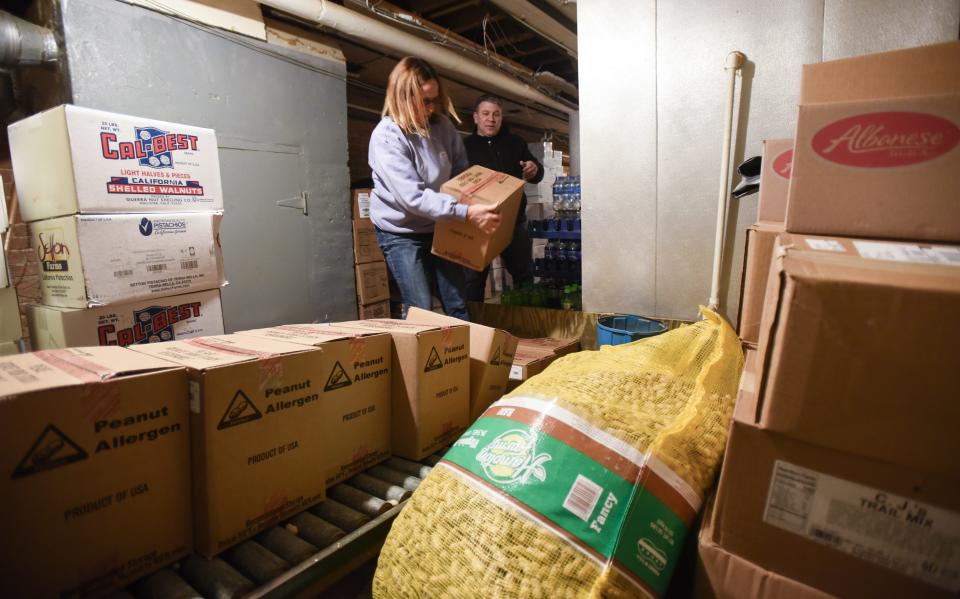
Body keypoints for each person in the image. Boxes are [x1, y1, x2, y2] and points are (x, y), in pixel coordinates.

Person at [368, 57, 501, 320]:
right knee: (421, 306)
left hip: (438, 224)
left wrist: (480, 196)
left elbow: (462, 172)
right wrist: (466, 212)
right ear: (404, 99)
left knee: (457, 302)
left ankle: (465, 357)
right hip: (401, 230)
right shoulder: (387, 137)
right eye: (424, 101)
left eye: (434, 100)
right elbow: (412, 198)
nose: (431, 108)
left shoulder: (442, 127)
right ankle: (418, 359)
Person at [462, 94, 544, 302]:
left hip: (513, 222)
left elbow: (537, 172)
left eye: (496, 114)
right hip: (479, 224)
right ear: (476, 117)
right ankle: (476, 327)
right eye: (486, 114)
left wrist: (534, 169)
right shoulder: (465, 147)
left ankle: (526, 323)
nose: (491, 119)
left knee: (524, 276)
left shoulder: (515, 143)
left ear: (501, 118)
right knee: (473, 281)